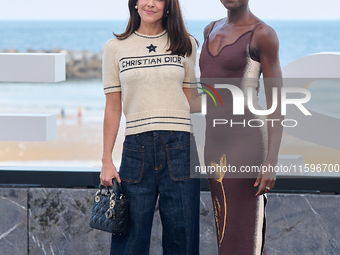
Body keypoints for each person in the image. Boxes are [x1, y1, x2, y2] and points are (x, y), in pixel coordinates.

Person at [99, 0, 200, 254]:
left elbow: (193, 101)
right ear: (134, 4)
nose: (150, 3)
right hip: (136, 150)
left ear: (168, 6)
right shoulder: (114, 48)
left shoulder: (186, 44)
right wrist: (107, 160)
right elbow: (113, 107)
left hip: (181, 148)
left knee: (183, 240)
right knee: (129, 242)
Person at [199, 0, 283, 254]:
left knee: (244, 233)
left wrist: (271, 161)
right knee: (227, 231)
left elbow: (276, 102)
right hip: (213, 146)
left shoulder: (262, 34)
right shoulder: (210, 29)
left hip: (246, 145)